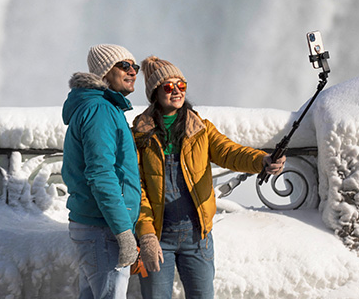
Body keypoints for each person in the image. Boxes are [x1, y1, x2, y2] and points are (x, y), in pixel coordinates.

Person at [133, 55, 286, 299]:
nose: (177, 91)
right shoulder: (140, 136)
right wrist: (146, 234)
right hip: (159, 236)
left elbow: (230, 152)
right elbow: (136, 188)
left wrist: (262, 161)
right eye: (168, 87)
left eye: (181, 85)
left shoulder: (200, 129)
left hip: (197, 235)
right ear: (155, 93)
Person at [61, 44, 142, 299]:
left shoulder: (101, 107)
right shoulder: (101, 111)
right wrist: (123, 232)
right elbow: (101, 175)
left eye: (135, 66)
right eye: (124, 66)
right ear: (105, 72)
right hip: (103, 227)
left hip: (96, 224)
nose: (132, 72)